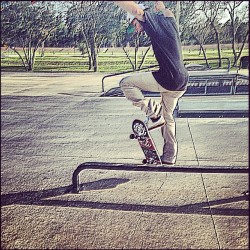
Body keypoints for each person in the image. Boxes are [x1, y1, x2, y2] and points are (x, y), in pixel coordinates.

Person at [114, 1, 189, 165]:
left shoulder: (152, 21)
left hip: (168, 78)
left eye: (135, 24)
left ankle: (154, 113)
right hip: (182, 80)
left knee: (126, 83)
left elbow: (135, 9)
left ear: (138, 19)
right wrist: (161, 6)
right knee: (168, 117)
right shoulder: (170, 21)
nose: (137, 30)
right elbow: (165, 10)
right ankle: (170, 156)